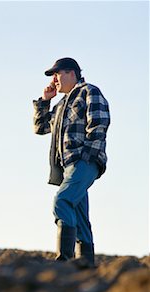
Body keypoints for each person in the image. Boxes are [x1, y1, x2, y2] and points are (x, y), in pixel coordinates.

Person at [33, 57, 110, 266]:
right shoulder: (60, 106)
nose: (55, 80)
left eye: (58, 74)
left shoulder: (89, 91)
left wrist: (88, 156)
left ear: (72, 73)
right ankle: (85, 266)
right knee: (80, 217)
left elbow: (99, 123)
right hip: (68, 166)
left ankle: (64, 260)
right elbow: (40, 128)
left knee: (63, 201)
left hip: (84, 161)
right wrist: (45, 100)